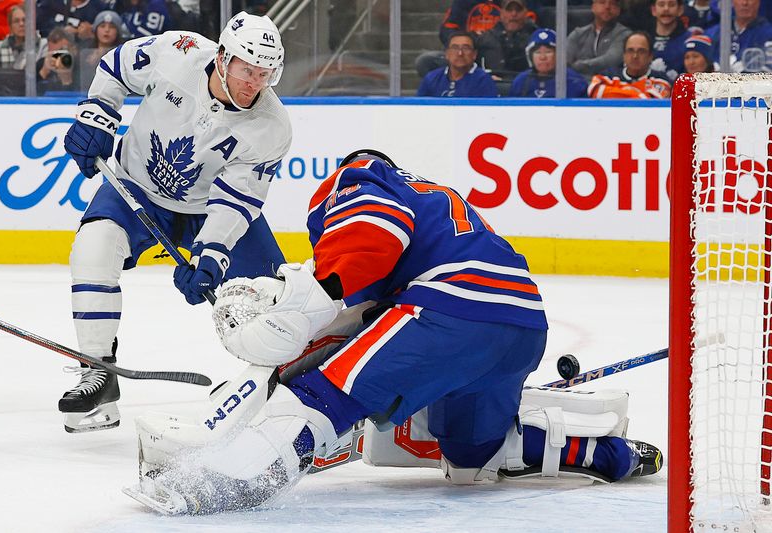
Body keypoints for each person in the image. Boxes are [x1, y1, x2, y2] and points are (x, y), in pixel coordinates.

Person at [124, 149, 664, 514]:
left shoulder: (361, 180)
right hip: (521, 324)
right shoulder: (438, 197)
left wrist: (295, 308)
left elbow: (364, 248)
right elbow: (371, 299)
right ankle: (608, 456)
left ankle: (219, 486)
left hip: (449, 311)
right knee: (471, 459)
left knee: (315, 397)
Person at [58, 11, 290, 433]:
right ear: (222, 58)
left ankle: (290, 393)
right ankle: (99, 374)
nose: (254, 83)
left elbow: (236, 202)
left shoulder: (271, 127)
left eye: (265, 73)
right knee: (92, 249)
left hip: (207, 208)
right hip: (136, 185)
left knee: (271, 299)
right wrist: (97, 115)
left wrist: (212, 255)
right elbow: (116, 67)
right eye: (247, 69)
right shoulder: (177, 52)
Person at [415, 0, 503, 79]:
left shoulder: (508, 4)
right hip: (465, 53)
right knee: (425, 61)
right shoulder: (461, 3)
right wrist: (468, 41)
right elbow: (446, 30)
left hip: (498, 54)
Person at [588, 30, 671, 98]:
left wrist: (615, 91)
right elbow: (594, 90)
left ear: (650, 56)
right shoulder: (608, 76)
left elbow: (648, 101)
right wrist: (638, 93)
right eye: (630, 51)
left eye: (641, 51)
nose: (635, 56)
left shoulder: (662, 80)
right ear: (624, 55)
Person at [508, 28, 588, 98]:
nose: (542, 57)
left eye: (548, 52)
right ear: (530, 56)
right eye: (537, 52)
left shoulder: (575, 82)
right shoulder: (521, 81)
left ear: (559, 54)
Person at [476, 0, 537, 91]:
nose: (513, 14)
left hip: (526, 88)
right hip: (491, 87)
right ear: (501, 13)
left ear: (526, 13)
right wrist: (486, 78)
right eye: (509, 10)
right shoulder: (485, 39)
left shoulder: (535, 38)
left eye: (518, 10)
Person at [417, 31, 498, 97]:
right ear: (447, 54)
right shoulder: (431, 78)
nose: (460, 53)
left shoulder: (483, 81)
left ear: (474, 54)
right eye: (455, 48)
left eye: (465, 48)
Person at [567, 0, 632, 79]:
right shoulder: (578, 33)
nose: (607, 7)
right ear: (593, 7)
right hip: (576, 83)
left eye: (613, 4)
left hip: (609, 84)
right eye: (602, 2)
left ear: (618, 10)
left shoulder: (625, 34)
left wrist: (576, 65)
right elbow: (564, 60)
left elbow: (611, 60)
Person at [705, 0, 772, 73]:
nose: (745, 3)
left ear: (758, 2)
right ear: (732, 2)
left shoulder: (768, 34)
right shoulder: (713, 33)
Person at [0, 4, 47, 70]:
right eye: (16, 21)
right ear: (10, 27)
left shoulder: (43, 45)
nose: (21, 24)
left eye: (24, 20)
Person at [79, 10, 122, 90]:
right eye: (102, 26)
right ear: (95, 30)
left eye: (112, 27)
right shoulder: (84, 53)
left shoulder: (123, 53)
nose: (107, 30)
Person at [649, 0, 692, 80]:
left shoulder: (689, 40)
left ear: (680, 10)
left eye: (671, 5)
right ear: (654, 10)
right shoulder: (643, 40)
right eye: (661, 5)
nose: (666, 9)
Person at [36, 27, 80, 94]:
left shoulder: (80, 65)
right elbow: (30, 93)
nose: (59, 57)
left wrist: (67, 78)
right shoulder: (42, 64)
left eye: (62, 50)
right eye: (54, 53)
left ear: (73, 49)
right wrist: (43, 72)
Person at [36, 0, 104, 42]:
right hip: (48, 48)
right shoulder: (48, 3)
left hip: (83, 53)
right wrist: (62, 31)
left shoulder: (100, 8)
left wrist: (92, 34)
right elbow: (37, 26)